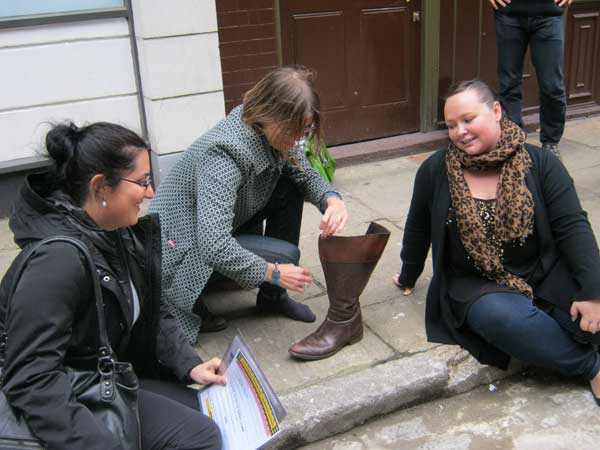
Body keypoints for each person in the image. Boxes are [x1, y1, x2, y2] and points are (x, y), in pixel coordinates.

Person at [0, 122, 225, 449]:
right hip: (63, 394)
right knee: (200, 436)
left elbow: (151, 308)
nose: (150, 193)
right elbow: (31, 379)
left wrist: (189, 364)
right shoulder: (57, 261)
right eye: (143, 181)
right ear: (101, 187)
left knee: (205, 409)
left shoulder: (116, 232)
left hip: (98, 376)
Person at [393, 79, 600, 406]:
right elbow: (417, 228)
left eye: (468, 119)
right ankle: (590, 366)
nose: (460, 131)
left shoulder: (541, 164)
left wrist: (592, 291)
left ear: (496, 111)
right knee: (504, 320)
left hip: (543, 270)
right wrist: (408, 274)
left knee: (594, 315)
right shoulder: (435, 170)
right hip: (478, 284)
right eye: (451, 125)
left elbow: (573, 227)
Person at [150, 66, 348, 343]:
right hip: (181, 249)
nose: (297, 139)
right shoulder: (223, 155)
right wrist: (274, 272)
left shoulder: (268, 130)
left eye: (304, 131)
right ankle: (192, 296)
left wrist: (332, 200)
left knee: (289, 185)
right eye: (293, 130)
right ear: (269, 112)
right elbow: (213, 244)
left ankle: (271, 298)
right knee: (285, 255)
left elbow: (303, 172)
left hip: (217, 228)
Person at [490, 0, 573, 159]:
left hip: (549, 15)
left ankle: (550, 143)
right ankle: (514, 142)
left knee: (552, 86)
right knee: (509, 84)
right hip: (509, 14)